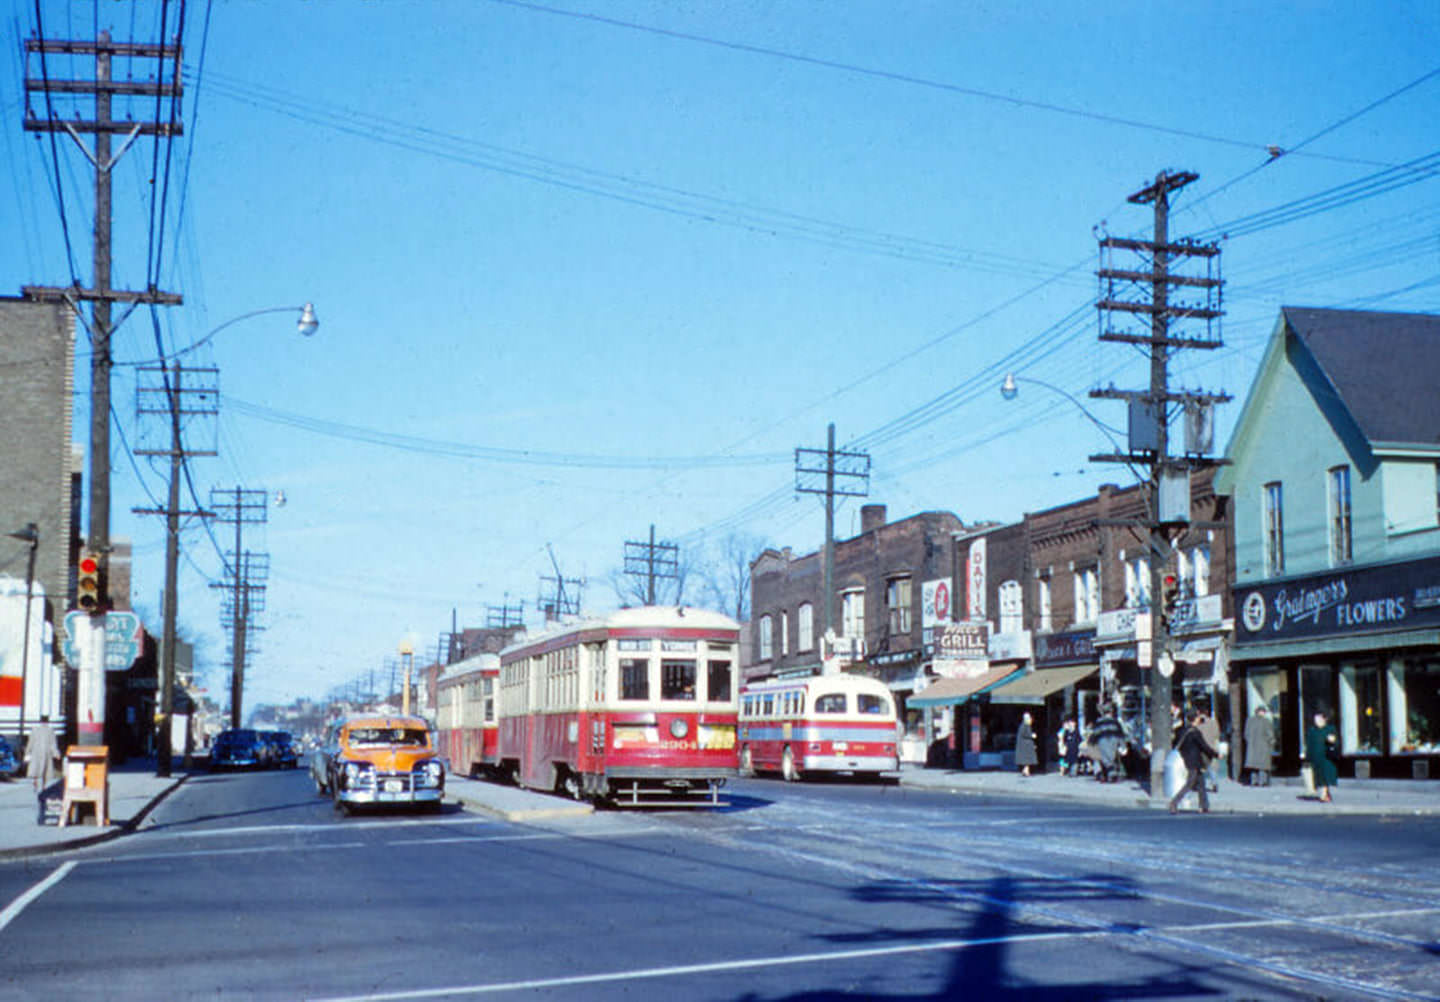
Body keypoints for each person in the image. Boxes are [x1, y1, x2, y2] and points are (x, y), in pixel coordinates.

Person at [1169, 709, 1219, 814]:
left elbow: (1176, 744)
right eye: (1197, 718)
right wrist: (1216, 754)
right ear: (1195, 719)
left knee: (1201, 783)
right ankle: (1174, 802)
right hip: (1194, 761)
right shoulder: (1195, 732)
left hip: (1187, 758)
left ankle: (1204, 806)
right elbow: (1204, 746)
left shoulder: (1182, 731)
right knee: (1190, 783)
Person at [26, 716, 59, 825]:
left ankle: (36, 784)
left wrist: (27, 753)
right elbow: (53, 745)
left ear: (40, 721)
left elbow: (30, 743)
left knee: (36, 771)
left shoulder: (34, 730)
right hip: (46, 755)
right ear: (48, 721)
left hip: (36, 754)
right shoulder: (51, 731)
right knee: (45, 773)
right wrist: (57, 754)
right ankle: (43, 789)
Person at [1086, 705, 1128, 783]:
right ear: (1111, 712)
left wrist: (1091, 743)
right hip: (1113, 742)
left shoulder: (1099, 722)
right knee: (1111, 758)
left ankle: (1108, 774)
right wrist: (1123, 745)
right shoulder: (1115, 722)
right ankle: (1111, 774)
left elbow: (1095, 734)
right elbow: (1121, 734)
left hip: (1102, 742)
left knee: (1105, 759)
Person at [1305, 709, 1339, 803]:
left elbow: (1336, 742)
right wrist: (1308, 758)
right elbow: (1309, 745)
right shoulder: (1312, 731)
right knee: (1319, 778)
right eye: (1315, 719)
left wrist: (1332, 740)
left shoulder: (1329, 729)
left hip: (1326, 758)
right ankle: (1326, 794)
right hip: (1316, 759)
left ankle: (1324, 795)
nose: (1316, 721)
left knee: (1325, 777)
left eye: (1318, 719)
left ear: (1324, 719)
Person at [1244, 705, 1275, 786]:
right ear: (1262, 712)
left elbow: (1246, 734)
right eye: (1264, 712)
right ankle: (1263, 782)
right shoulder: (1266, 721)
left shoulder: (1250, 721)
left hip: (1252, 747)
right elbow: (1270, 735)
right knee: (1263, 767)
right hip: (1263, 747)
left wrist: (1250, 742)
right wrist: (1272, 743)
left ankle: (1254, 782)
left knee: (1254, 767)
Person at [1196, 709, 1222, 792]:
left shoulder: (1198, 723)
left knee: (1200, 767)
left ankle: (1199, 784)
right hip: (1212, 747)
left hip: (1201, 747)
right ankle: (1214, 783)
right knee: (1212, 767)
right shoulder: (1213, 722)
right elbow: (1217, 735)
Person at [1014, 712, 1037, 777]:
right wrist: (1032, 735)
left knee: (1026, 760)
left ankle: (1025, 770)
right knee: (1027, 759)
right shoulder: (1025, 726)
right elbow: (1025, 734)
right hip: (1025, 746)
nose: (1031, 720)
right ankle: (1026, 771)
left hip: (1025, 746)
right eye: (1030, 718)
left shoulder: (1024, 725)